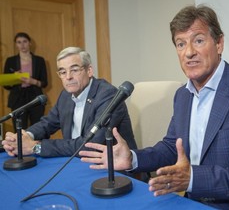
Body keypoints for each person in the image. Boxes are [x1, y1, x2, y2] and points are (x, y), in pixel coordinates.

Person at [79, 5, 229, 210]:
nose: (188, 52)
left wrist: (193, 179)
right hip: (192, 202)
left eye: (198, 40)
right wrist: (133, 158)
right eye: (180, 44)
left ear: (219, 43)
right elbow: (172, 147)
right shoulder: (183, 95)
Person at [2, 46, 137, 158]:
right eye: (62, 72)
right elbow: (47, 123)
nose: (68, 77)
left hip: (112, 168)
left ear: (89, 70)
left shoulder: (108, 95)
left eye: (74, 70)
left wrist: (36, 147)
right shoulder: (66, 95)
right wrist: (23, 137)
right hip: (74, 161)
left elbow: (90, 145)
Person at [3, 32, 48, 130]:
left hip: (35, 96)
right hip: (17, 98)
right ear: (16, 44)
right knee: (19, 129)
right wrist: (14, 78)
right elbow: (6, 85)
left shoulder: (39, 60)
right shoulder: (10, 61)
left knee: (38, 128)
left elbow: (44, 83)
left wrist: (33, 81)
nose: (22, 45)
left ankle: (37, 146)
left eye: (25, 41)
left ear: (30, 43)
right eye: (19, 42)